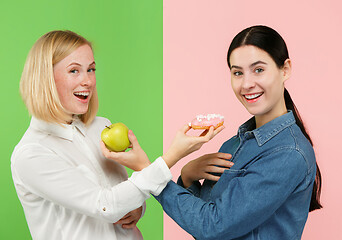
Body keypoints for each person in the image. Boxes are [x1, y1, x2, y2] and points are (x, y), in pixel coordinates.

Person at [103, 25, 322, 240]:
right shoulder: (233, 144)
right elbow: (206, 217)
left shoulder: (288, 153)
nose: (246, 84)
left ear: (285, 69)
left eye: (259, 70)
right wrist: (188, 177)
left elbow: (212, 226)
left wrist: (148, 170)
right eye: (237, 72)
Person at [11, 30, 222, 240]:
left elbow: (125, 196)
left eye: (91, 69)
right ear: (45, 77)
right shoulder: (31, 154)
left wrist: (137, 208)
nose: (88, 81)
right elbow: (106, 205)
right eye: (74, 71)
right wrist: (171, 157)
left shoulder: (101, 127)